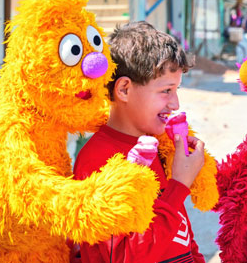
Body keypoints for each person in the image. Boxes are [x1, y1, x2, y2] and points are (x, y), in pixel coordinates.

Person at [73, 22, 207, 263]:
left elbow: (180, 232)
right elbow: (125, 256)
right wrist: (179, 184)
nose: (175, 103)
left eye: (177, 90)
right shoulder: (99, 161)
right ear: (124, 89)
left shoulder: (154, 145)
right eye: (166, 90)